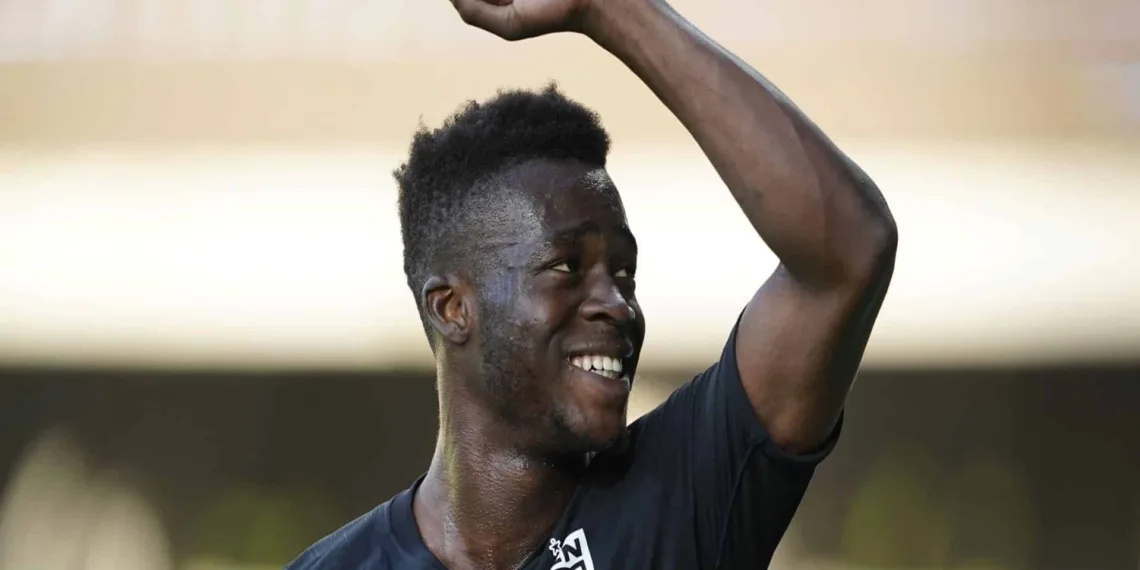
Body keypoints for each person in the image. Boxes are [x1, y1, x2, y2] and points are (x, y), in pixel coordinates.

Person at [287, 0, 896, 568]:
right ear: (453, 308)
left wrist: (607, 8)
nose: (617, 304)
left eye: (624, 273)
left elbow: (848, 253)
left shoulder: (680, 492)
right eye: (567, 268)